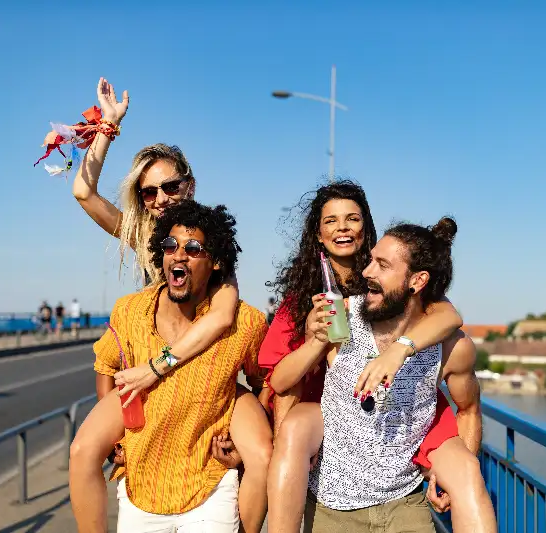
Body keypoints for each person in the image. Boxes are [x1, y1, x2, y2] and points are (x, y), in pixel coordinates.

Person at [70, 79, 272, 531]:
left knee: (258, 452)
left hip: (205, 370)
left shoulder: (212, 249)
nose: (160, 199)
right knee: (84, 448)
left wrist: (155, 367)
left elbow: (223, 319)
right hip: (152, 373)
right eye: (149, 192)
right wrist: (106, 126)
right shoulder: (144, 238)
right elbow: (83, 193)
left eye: (170, 187)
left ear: (189, 185)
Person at [261, 181, 495, 533]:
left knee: (465, 472)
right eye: (330, 221)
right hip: (327, 431)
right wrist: (314, 340)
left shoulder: (433, 324)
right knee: (295, 428)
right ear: (318, 236)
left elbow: (450, 319)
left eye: (352, 218)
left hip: (401, 444)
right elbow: (281, 385)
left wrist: (401, 350)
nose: (342, 227)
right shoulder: (328, 309)